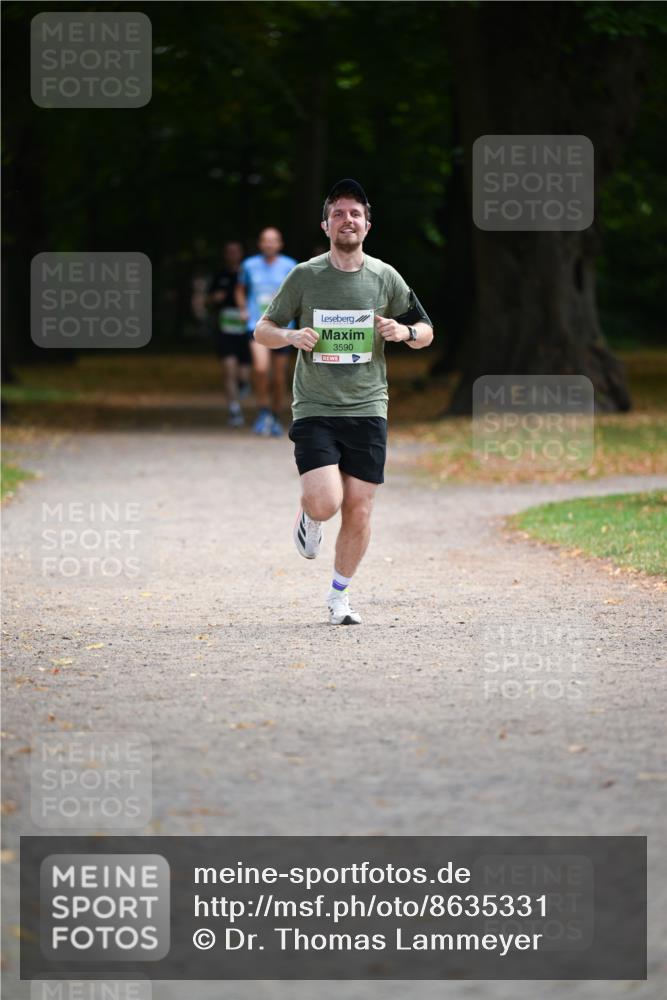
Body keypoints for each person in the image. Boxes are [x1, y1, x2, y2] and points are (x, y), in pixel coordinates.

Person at [254, 179, 434, 624]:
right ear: (326, 225)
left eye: (355, 214)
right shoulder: (305, 276)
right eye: (338, 213)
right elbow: (262, 330)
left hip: (368, 407)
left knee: (359, 508)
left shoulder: (385, 277)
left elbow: (426, 332)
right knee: (325, 503)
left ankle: (339, 597)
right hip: (316, 407)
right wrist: (291, 336)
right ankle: (310, 517)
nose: (347, 220)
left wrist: (404, 331)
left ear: (368, 225)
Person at [235, 228, 297, 436]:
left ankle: (275, 415)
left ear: (280, 244)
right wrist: (243, 309)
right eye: (265, 240)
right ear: (260, 243)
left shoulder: (290, 265)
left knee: (278, 377)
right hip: (257, 324)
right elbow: (240, 289)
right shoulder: (249, 265)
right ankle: (262, 412)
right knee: (261, 369)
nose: (269, 244)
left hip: (283, 327)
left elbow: (298, 293)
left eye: (273, 240)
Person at [207, 240, 250, 427]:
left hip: (245, 329)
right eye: (229, 252)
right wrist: (214, 298)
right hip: (225, 329)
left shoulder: (247, 273)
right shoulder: (219, 275)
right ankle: (234, 409)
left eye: (236, 251)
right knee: (229, 370)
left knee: (243, 375)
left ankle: (243, 385)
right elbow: (207, 299)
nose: (233, 255)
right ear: (225, 255)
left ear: (241, 254)